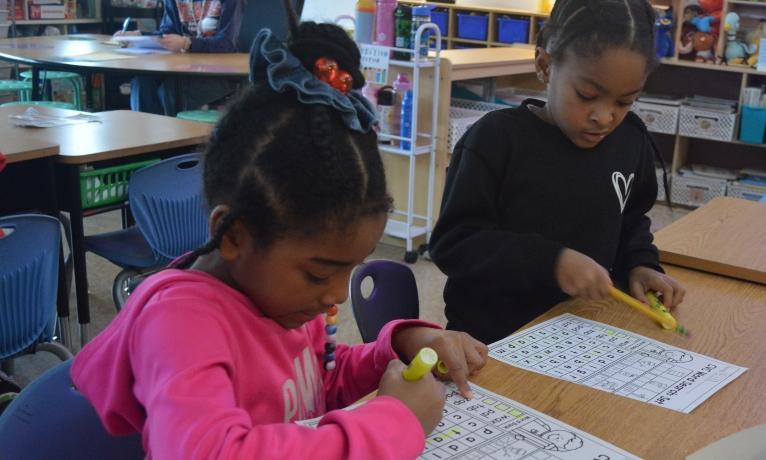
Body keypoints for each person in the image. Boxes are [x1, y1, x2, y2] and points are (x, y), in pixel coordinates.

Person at [73, 4, 488, 457]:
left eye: (347, 270)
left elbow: (317, 385)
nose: (336, 296)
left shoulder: (282, 300)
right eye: (317, 273)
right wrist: (395, 423)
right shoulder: (180, 323)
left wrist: (400, 348)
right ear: (232, 234)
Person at [429, 0, 686, 344]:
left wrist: (641, 263)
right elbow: (453, 244)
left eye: (625, 102)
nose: (605, 117)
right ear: (545, 65)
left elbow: (630, 221)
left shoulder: (630, 141)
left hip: (581, 331)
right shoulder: (496, 140)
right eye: (587, 95)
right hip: (490, 340)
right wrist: (551, 262)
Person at [115, 0, 244, 115]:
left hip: (220, 72)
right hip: (182, 68)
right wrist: (139, 36)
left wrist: (187, 43)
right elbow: (168, 33)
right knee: (141, 83)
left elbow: (227, 43)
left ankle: (177, 140)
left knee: (170, 90)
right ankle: (148, 140)